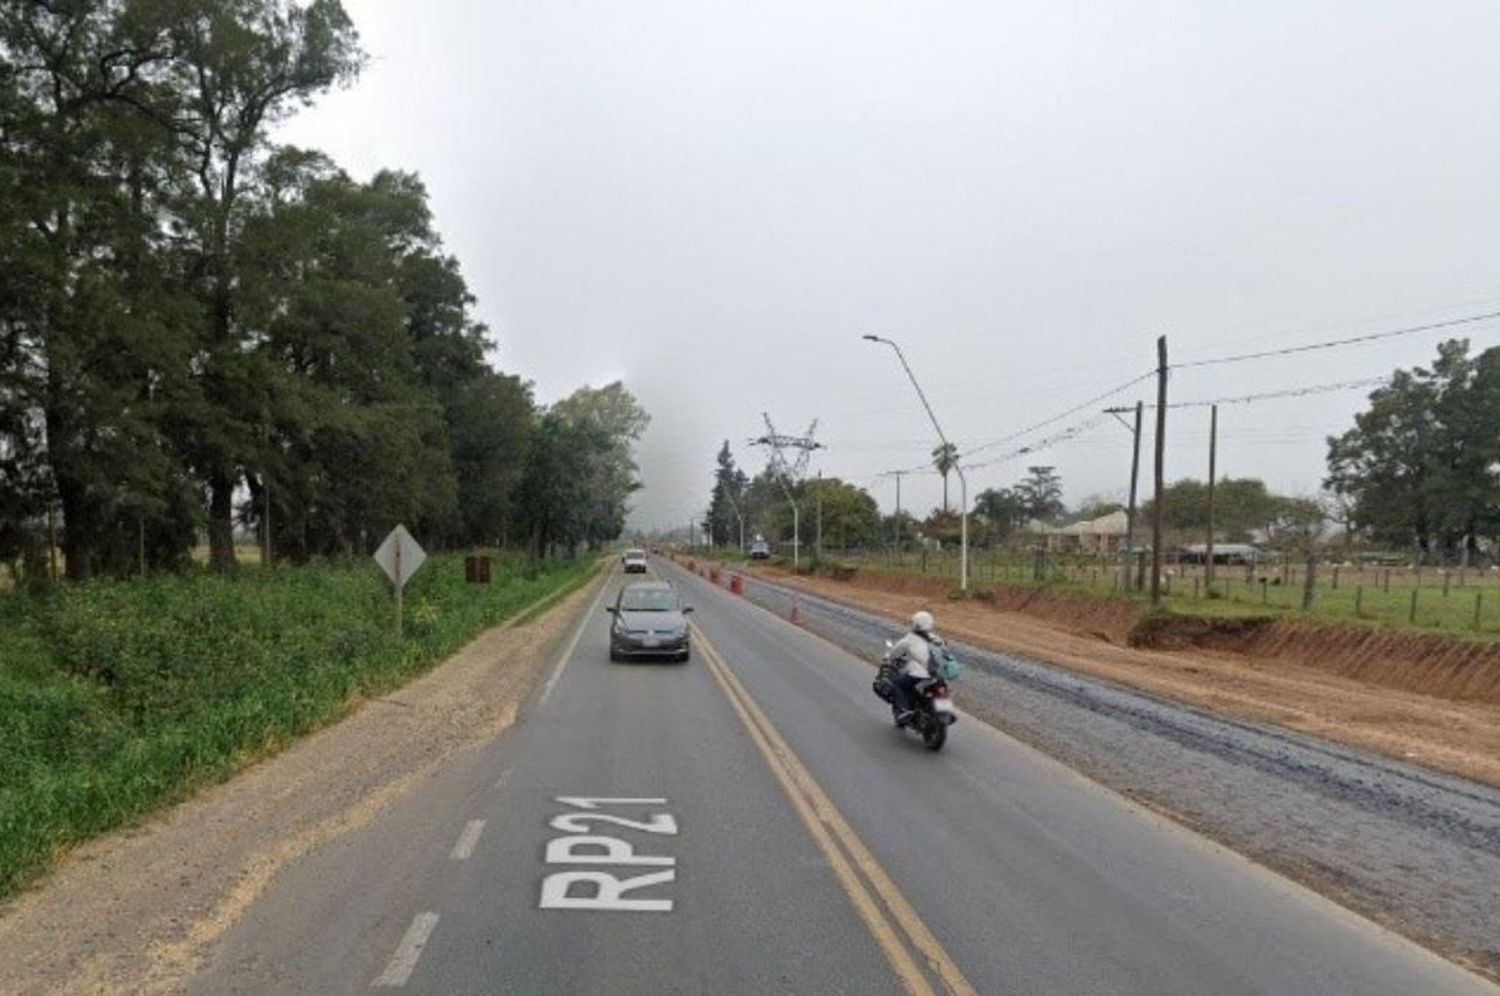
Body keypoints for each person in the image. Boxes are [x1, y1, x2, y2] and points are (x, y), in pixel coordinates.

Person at [885, 610, 944, 726]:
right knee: (941, 689)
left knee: (897, 684)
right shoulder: (936, 639)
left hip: (919, 676)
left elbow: (893, 654)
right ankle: (945, 709)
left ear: (914, 624)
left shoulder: (909, 640)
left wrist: (888, 659)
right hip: (938, 674)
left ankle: (903, 710)